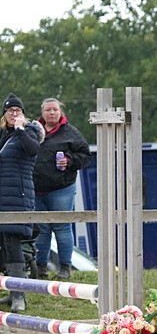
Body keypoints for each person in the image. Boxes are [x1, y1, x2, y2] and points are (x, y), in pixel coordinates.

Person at [32, 98, 90, 280]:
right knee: (40, 229)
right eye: (48, 110)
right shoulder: (33, 131)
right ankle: (40, 267)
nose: (51, 113)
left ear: (61, 112)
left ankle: (65, 267)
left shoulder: (71, 133)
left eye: (55, 109)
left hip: (61, 189)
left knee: (62, 227)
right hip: (36, 189)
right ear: (42, 112)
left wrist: (70, 160)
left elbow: (86, 155)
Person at [0, 94, 44, 312]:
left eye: (18, 111)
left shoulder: (29, 132)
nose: (14, 114)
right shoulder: (3, 135)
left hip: (18, 196)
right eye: (10, 111)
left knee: (12, 240)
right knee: (6, 245)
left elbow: (33, 149)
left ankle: (20, 296)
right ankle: (13, 292)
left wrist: (19, 128)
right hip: (3, 195)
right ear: (4, 114)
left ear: (23, 114)